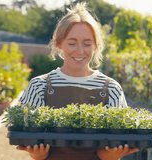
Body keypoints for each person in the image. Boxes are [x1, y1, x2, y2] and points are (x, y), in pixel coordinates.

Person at [17, 2, 139, 160]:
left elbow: (107, 149)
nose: (80, 51)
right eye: (72, 43)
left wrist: (111, 155)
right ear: (59, 43)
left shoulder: (111, 89)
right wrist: (38, 154)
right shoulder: (39, 86)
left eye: (87, 43)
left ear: (96, 46)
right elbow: (31, 140)